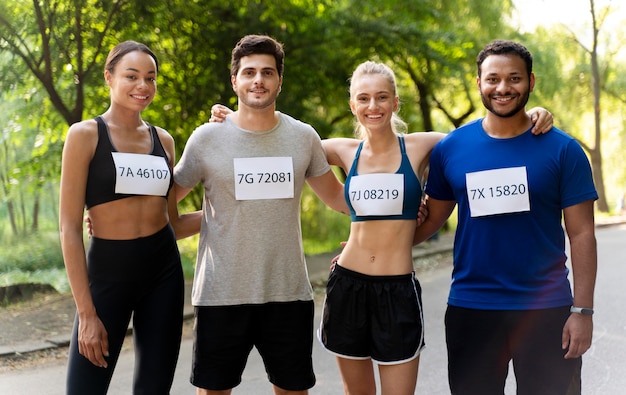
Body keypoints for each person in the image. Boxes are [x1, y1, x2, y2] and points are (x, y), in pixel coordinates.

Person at [211, 59, 553, 394]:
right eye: (363, 98)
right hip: (348, 286)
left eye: (381, 97)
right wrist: (236, 119)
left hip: (398, 290)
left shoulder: (422, 146)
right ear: (352, 105)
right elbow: (275, 139)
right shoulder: (339, 150)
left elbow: (488, 133)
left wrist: (532, 114)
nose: (373, 106)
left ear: (395, 101)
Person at [412, 40, 597, 395]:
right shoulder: (452, 148)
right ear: (478, 82)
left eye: (514, 78)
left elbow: (582, 235)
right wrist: (364, 246)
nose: (503, 88)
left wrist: (583, 311)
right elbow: (430, 222)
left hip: (548, 310)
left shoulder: (564, 150)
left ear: (531, 81)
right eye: (493, 78)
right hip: (472, 308)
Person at [173, 34, 349, 395]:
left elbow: (340, 199)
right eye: (249, 72)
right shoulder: (206, 139)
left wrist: (400, 203)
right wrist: (113, 218)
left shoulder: (303, 137)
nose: (258, 80)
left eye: (267, 72)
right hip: (220, 294)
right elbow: (163, 208)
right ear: (234, 80)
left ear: (279, 81)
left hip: (287, 293)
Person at [59, 40, 200, 394]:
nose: (143, 86)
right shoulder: (85, 136)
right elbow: (69, 228)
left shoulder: (163, 141)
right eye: (132, 76)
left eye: (150, 78)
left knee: (154, 388)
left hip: (163, 273)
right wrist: (87, 314)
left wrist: (232, 212)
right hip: (107, 274)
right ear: (109, 77)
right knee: (84, 388)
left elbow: (174, 221)